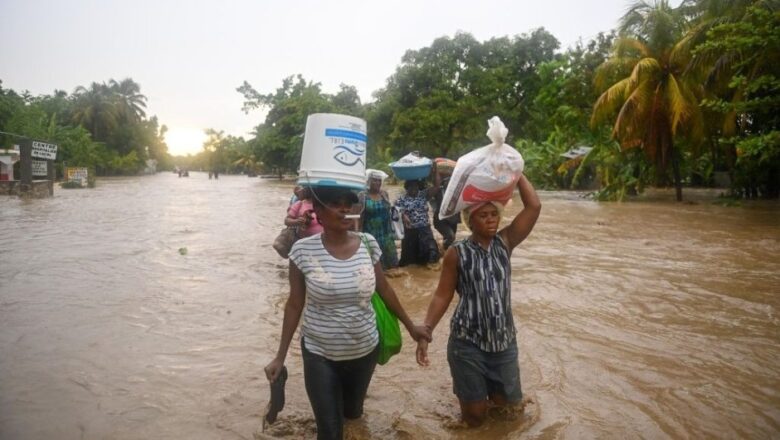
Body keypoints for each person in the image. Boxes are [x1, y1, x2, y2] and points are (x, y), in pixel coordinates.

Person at [264, 186, 431, 440]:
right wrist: (280, 357)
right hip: (320, 354)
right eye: (336, 203)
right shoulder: (302, 251)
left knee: (353, 415)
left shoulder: (367, 243)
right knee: (330, 432)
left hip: (364, 351)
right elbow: (294, 304)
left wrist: (411, 327)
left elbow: (384, 289)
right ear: (317, 210)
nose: (344, 209)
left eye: (348, 204)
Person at [416, 174, 541, 427]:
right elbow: (443, 294)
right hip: (468, 344)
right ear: (470, 221)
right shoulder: (457, 253)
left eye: (493, 214)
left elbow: (534, 207)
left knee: (508, 413)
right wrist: (426, 330)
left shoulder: (505, 243)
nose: (490, 220)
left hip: (503, 343)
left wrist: (516, 173)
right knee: (474, 418)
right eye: (483, 216)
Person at [394, 178, 440, 267]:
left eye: (416, 186)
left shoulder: (423, 195)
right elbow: (396, 213)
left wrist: (435, 170)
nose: (414, 189)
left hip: (425, 230)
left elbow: (437, 187)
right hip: (410, 232)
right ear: (406, 188)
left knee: (432, 255)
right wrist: (404, 216)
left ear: (418, 187)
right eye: (411, 187)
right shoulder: (401, 200)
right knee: (410, 262)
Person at [358, 171, 399, 271]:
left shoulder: (384, 194)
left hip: (387, 234)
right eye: (374, 180)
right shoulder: (362, 196)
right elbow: (359, 216)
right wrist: (358, 235)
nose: (377, 183)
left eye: (379, 180)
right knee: (375, 265)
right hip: (371, 235)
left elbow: (390, 211)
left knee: (393, 265)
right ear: (369, 181)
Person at [431, 174, 460, 251]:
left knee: (451, 239)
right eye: (447, 181)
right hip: (440, 220)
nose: (449, 183)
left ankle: (445, 254)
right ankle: (442, 248)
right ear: (443, 183)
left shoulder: (457, 192)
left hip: (453, 219)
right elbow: (431, 195)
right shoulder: (438, 191)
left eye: (451, 181)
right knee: (451, 236)